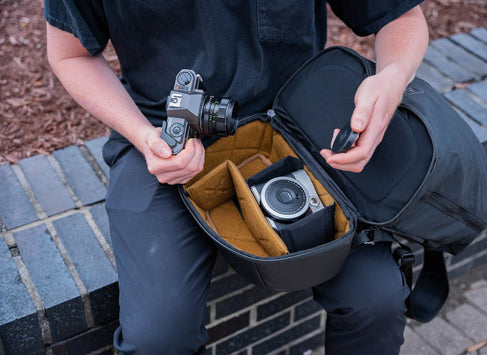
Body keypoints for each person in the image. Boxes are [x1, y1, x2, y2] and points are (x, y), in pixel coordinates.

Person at [45, 1, 428, 353]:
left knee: (375, 298)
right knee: (157, 340)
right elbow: (69, 54)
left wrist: (392, 79)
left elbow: (401, 17)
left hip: (294, 125)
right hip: (161, 133)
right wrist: (145, 138)